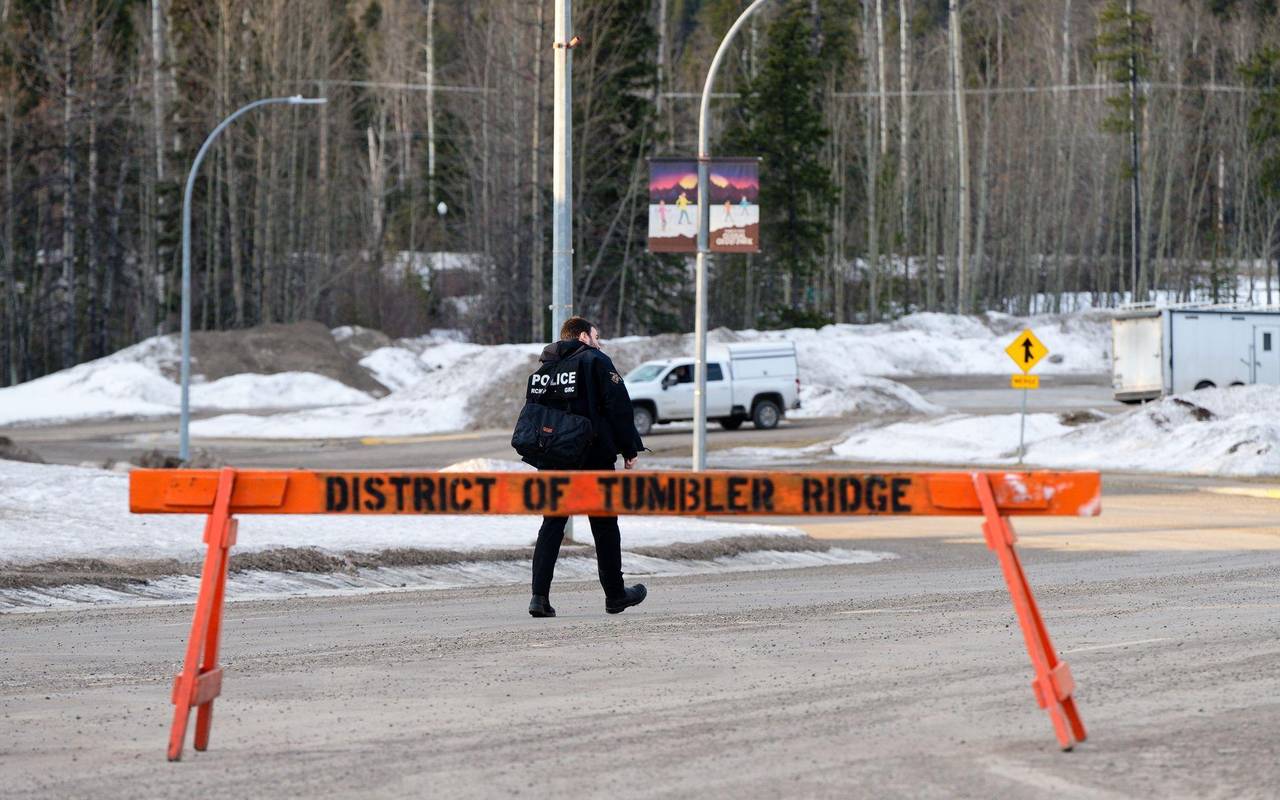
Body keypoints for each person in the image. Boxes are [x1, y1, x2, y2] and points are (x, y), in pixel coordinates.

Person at [526, 316, 647, 618]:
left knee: (552, 523)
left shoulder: (544, 369)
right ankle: (615, 595)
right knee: (604, 524)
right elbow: (618, 406)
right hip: (592, 456)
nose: (598, 342)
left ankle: (539, 598)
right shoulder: (595, 361)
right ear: (583, 337)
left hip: (553, 458)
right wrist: (630, 447)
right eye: (596, 336)